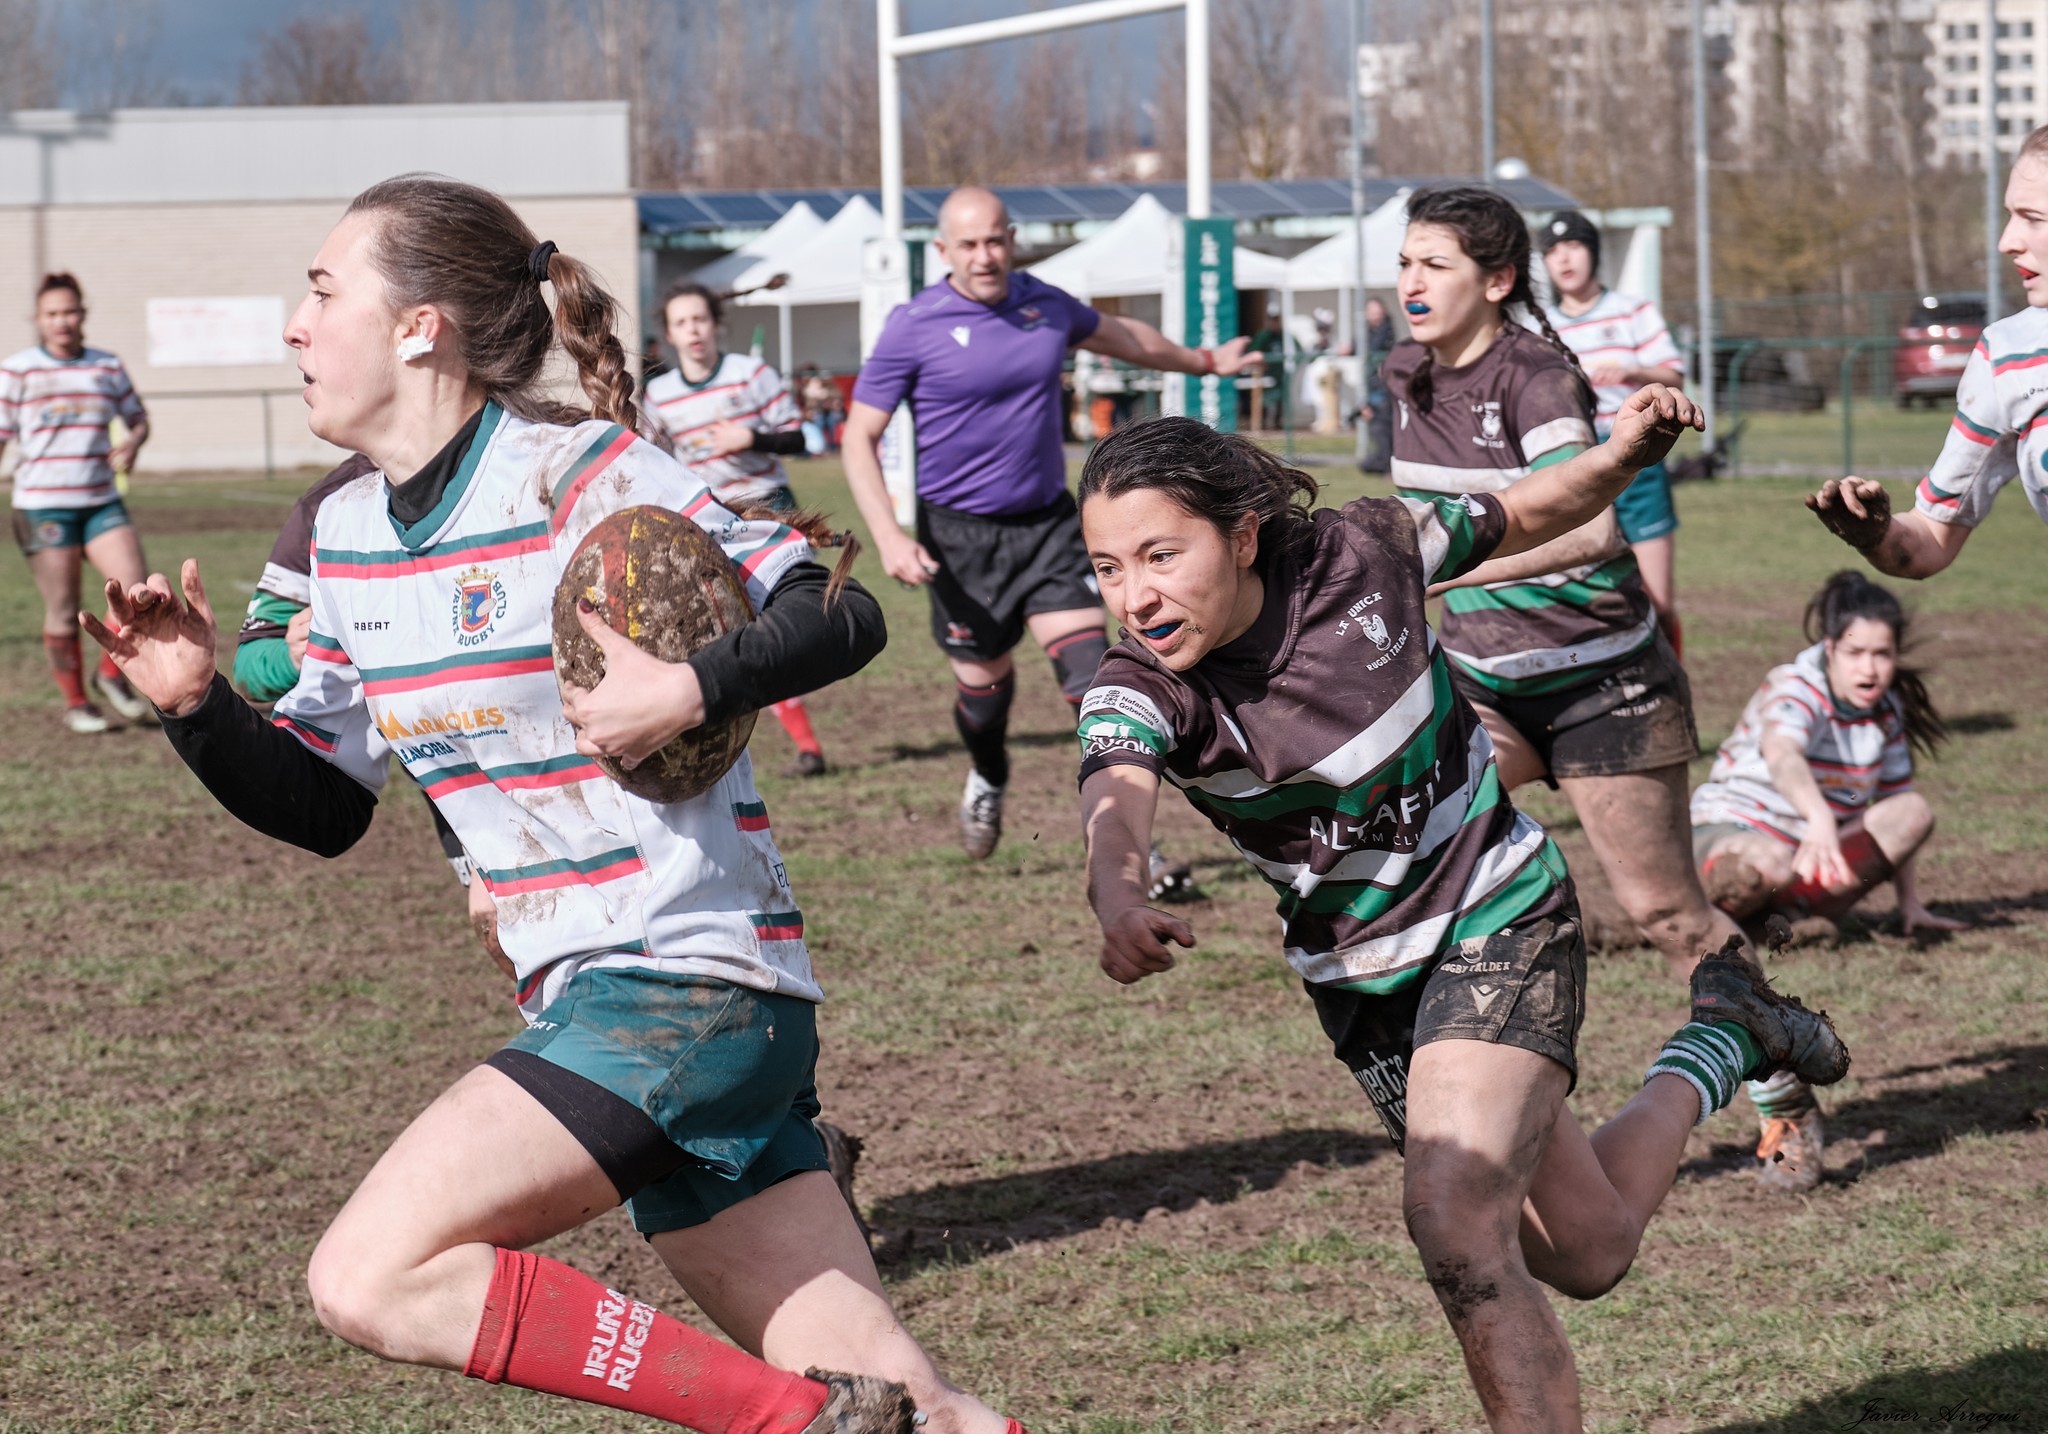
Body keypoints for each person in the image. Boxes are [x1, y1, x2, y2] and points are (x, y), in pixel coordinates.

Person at [83, 174, 1028, 1434]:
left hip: (682, 984)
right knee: (926, 1415)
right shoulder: (348, 538)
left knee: (369, 1274)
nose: (297, 327)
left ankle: (791, 1425)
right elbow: (325, 809)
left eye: (322, 293)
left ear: (421, 324)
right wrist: (195, 703)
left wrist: (687, 687)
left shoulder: (580, 474)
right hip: (623, 1006)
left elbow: (838, 610)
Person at [1073, 410, 1849, 1433]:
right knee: (1584, 1251)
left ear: (1242, 533)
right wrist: (1118, 891)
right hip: (1362, 983)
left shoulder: (1364, 552)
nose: (1134, 596)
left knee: (1451, 1219)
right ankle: (1728, 1034)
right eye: (1106, 568)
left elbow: (1523, 510)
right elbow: (1112, 793)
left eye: (1159, 556)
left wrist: (1618, 459)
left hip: (1495, 909)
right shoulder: (1138, 685)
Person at [842, 185, 1251, 885]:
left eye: (996, 239)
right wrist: (889, 536)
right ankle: (987, 774)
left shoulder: (1042, 302)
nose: (985, 255)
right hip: (960, 544)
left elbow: (1123, 338)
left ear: (1012, 239)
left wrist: (1203, 361)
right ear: (942, 251)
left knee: (1095, 684)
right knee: (984, 691)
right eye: (968, 244)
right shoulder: (913, 325)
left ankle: (1130, 849)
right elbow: (859, 436)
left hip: (1046, 527)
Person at [1381, 186, 1743, 976]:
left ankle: (1781, 1073)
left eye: (1435, 265)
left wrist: (1437, 570)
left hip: (1601, 684)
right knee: (1409, 863)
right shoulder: (1403, 369)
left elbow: (1591, 529)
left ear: (1499, 280)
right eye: (1405, 262)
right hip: (1480, 682)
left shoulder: (1536, 378)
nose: (1411, 281)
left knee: (1670, 916)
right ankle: (1495, 1087)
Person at [1690, 571, 1961, 1190]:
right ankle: (1718, 902)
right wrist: (1815, 817)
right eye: (1857, 653)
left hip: (1809, 859)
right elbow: (1784, 753)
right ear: (1831, 648)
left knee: (1913, 812)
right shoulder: (1797, 687)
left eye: (1883, 654)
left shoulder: (1884, 709)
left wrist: (1910, 903)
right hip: (1734, 833)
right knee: (1766, 865)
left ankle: (1775, 915)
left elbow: (1896, 800)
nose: (1871, 668)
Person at [233, 449, 501, 958]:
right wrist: (299, 654)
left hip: (563, 765)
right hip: (451, 783)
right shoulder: (331, 506)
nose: (306, 369)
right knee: (514, 945)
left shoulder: (522, 458)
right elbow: (251, 663)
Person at [1810, 123, 2048, 573]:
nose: (2006, 241)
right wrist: (1874, 533)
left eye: (2033, 218)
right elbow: (1931, 537)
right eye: (2010, 215)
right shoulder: (2007, 357)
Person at [647, 281, 830, 776]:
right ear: (668, 335)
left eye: (701, 320)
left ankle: (800, 744)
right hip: (708, 521)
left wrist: (751, 436)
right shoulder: (659, 394)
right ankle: (799, 749)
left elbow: (802, 437)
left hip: (770, 513)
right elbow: (654, 457)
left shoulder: (754, 374)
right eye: (682, 323)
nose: (694, 331)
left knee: (778, 630)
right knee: (736, 634)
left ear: (717, 324)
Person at [3, 271, 155, 733]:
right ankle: (76, 703)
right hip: (41, 507)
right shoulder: (18, 370)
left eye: (69, 311)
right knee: (63, 607)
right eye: (52, 314)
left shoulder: (106, 366)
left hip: (100, 502)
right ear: (38, 319)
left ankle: (110, 673)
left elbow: (138, 419)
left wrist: (132, 443)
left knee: (137, 593)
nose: (61, 321)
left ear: (82, 314)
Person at [1540, 211, 1689, 651]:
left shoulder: (1632, 310)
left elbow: (1675, 375)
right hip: (1574, 467)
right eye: (1552, 251)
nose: (1563, 259)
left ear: (1594, 253)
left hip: (1639, 466)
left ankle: (1673, 690)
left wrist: (1632, 369)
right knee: (1583, 604)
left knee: (1657, 602)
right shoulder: (1540, 326)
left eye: (1574, 247)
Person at [1360, 296, 1395, 474]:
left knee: (1382, 428)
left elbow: (1374, 349)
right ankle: (1384, 463)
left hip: (1384, 391)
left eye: (1378, 311)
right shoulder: (1367, 332)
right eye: (1372, 312)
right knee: (1377, 429)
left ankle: (1389, 466)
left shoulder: (1385, 331)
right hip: (1374, 389)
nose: (1375, 315)